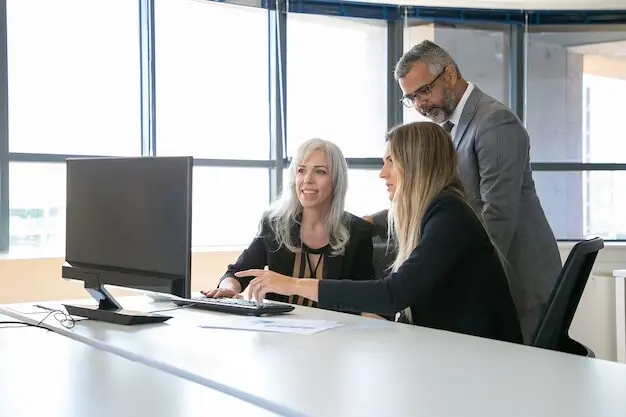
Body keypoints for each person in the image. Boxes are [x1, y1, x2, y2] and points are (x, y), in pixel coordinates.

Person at [236, 122, 524, 345]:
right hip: (452, 351)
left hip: (484, 360)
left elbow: (392, 293)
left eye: (390, 161)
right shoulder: (436, 211)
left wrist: (293, 284)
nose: (382, 173)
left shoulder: (449, 216)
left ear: (415, 164)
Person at [367, 40, 561, 344]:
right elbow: (432, 192)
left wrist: (450, 277)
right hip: (495, 281)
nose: (419, 105)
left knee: (517, 372)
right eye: (411, 98)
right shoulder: (450, 127)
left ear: (449, 75)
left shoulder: (494, 122)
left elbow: (497, 216)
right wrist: (376, 220)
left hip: (519, 278)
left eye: (423, 91)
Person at [202, 138, 375, 310]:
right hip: (279, 326)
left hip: (336, 327)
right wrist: (229, 288)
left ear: (336, 180)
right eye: (301, 170)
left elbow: (365, 297)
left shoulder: (358, 231)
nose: (307, 179)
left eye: (320, 172)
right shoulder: (274, 224)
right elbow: (237, 272)